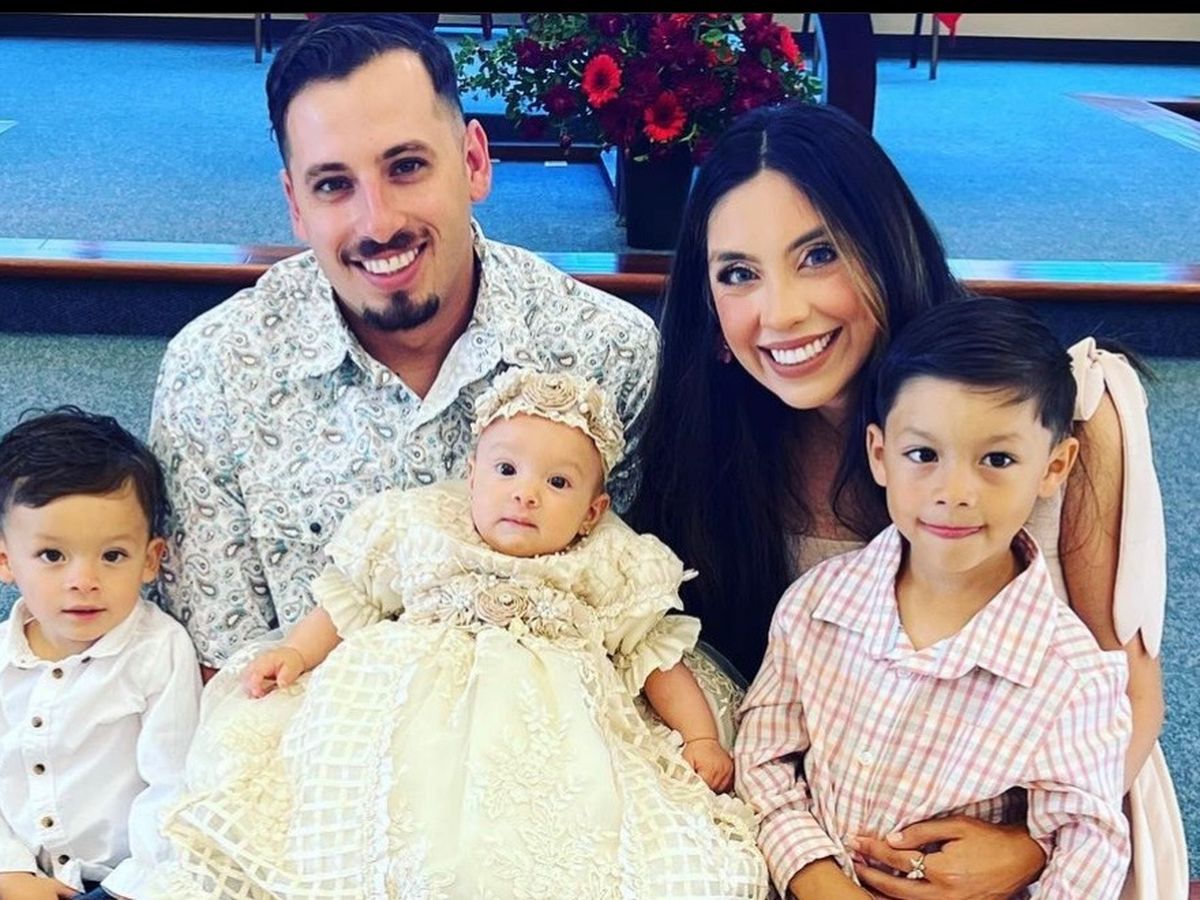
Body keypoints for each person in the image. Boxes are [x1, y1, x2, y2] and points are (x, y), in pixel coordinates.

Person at [628, 99, 1187, 899]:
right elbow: (752, 716)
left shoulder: (1055, 417)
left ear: (886, 247)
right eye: (739, 274)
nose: (780, 312)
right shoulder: (713, 443)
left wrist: (1027, 847)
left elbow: (1129, 692)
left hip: (1056, 820)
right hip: (814, 832)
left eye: (818, 254)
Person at [147, 13, 658, 680]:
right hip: (310, 736)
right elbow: (222, 668)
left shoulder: (607, 354)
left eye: (407, 166)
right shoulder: (214, 373)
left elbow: (631, 621)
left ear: (474, 162)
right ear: (296, 205)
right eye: (333, 185)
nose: (378, 222)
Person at [149, 369, 768, 899]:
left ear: (591, 511)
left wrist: (699, 736)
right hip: (407, 704)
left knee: (572, 829)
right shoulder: (424, 529)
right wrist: (294, 652)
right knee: (382, 802)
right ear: (472, 476)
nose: (526, 494)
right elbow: (352, 604)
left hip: (552, 728)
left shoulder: (606, 562)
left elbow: (655, 657)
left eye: (557, 483)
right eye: (507, 470)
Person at [736, 297, 1133, 899]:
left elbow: (1089, 849)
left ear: (1054, 468)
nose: (954, 492)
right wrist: (819, 880)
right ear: (880, 455)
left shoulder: (1071, 676)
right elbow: (762, 759)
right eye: (923, 455)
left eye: (997, 459)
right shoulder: (815, 606)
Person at [0, 407, 201, 900]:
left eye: (113, 556)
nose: (83, 581)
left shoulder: (158, 650)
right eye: (52, 556)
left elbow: (176, 783)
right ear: (6, 560)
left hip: (127, 882)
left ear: (150, 560)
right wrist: (9, 870)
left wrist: (133, 884)